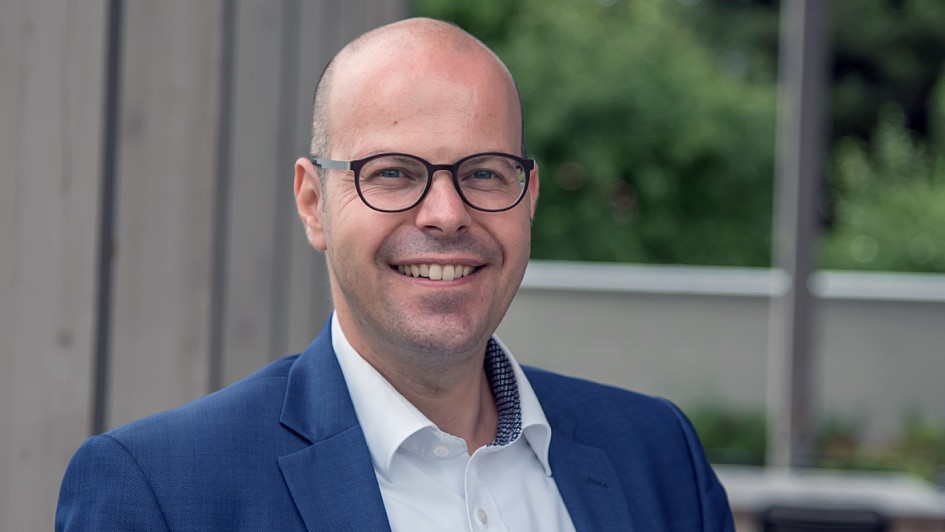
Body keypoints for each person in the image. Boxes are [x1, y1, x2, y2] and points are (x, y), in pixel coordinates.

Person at [56, 17, 733, 531]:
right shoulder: (161, 491)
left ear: (528, 199)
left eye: (484, 173)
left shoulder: (657, 455)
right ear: (314, 204)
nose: (446, 214)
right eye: (392, 174)